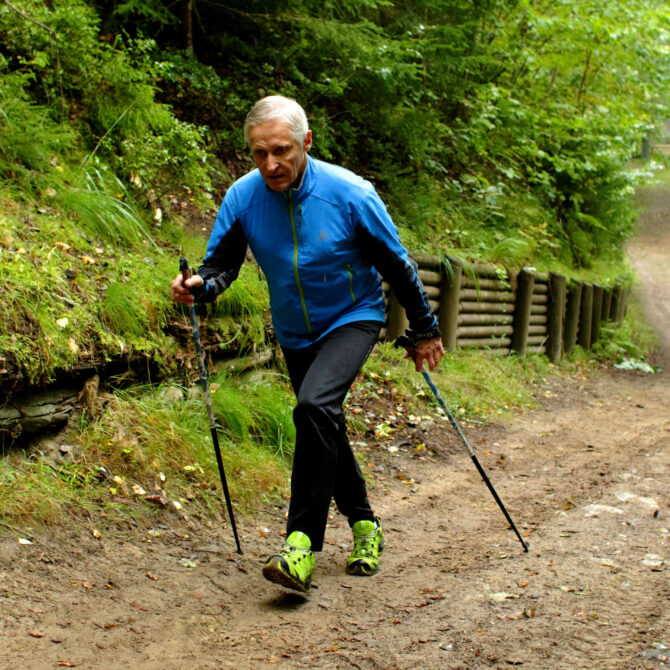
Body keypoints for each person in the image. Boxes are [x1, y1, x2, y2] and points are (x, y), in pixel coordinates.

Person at [171, 95, 444, 594]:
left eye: (280, 150)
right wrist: (199, 287)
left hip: (353, 317)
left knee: (313, 406)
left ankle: (299, 545)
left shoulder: (350, 194)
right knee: (324, 422)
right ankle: (366, 526)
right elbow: (221, 265)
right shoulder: (243, 197)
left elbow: (398, 265)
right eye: (259, 153)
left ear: (306, 142)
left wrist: (425, 329)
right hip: (295, 330)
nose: (270, 164)